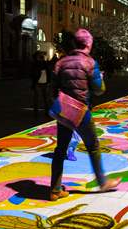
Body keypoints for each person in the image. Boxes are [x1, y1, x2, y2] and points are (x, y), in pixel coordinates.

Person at [49, 28, 121, 201]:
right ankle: (103, 182)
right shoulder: (90, 63)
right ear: (88, 44)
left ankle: (54, 190)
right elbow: (99, 90)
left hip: (65, 111)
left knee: (60, 149)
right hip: (81, 111)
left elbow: (52, 89)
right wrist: (100, 78)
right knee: (93, 146)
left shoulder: (61, 62)